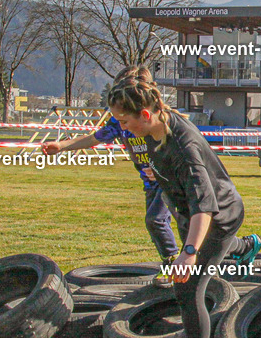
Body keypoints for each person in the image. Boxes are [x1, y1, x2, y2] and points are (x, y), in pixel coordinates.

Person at [106, 66, 261, 338]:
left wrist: (189, 254)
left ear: (145, 114)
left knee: (187, 289)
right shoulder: (151, 128)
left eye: (124, 122)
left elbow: (206, 208)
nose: (121, 129)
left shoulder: (185, 148)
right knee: (203, 261)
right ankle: (244, 248)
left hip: (218, 218)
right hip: (189, 213)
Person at [42, 65, 179, 288]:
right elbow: (95, 137)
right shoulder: (120, 122)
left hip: (171, 180)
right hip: (151, 183)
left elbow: (179, 149)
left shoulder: (158, 120)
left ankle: (174, 266)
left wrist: (163, 168)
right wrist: (61, 145)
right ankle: (240, 246)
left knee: (158, 220)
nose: (124, 123)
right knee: (160, 223)